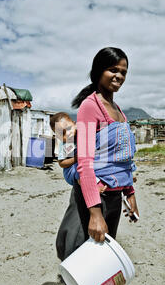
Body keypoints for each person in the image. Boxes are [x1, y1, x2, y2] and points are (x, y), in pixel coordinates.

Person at [56, 47, 139, 262]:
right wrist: (94, 213)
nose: (119, 76)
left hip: (113, 197)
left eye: (123, 72)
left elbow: (123, 159)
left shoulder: (118, 110)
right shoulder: (89, 107)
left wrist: (130, 194)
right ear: (98, 71)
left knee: (101, 262)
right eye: (113, 70)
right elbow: (84, 162)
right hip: (93, 197)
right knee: (81, 259)